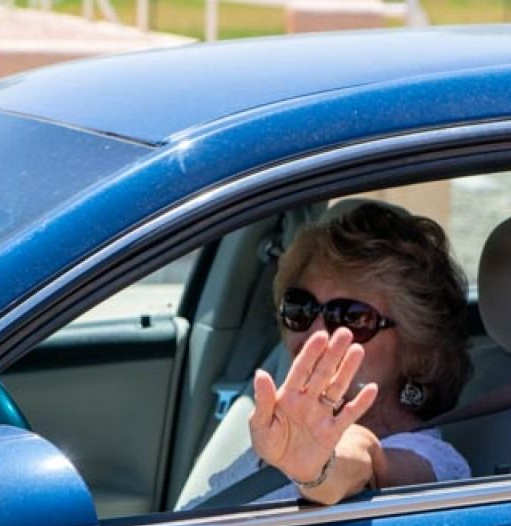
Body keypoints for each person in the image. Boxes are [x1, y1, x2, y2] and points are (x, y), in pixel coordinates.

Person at [191, 201, 472, 507]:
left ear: (415, 348)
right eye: (301, 308)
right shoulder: (289, 434)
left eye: (352, 317)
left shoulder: (428, 459)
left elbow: (365, 463)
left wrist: (318, 466)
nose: (315, 333)